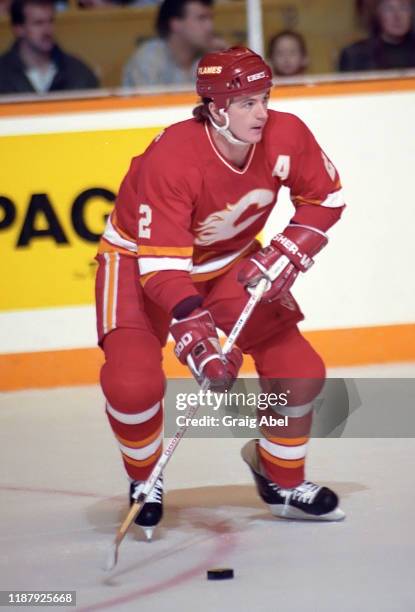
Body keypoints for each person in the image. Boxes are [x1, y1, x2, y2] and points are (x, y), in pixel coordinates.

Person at [96, 46, 346, 539]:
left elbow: (326, 198)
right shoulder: (170, 158)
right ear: (215, 108)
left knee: (300, 372)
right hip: (137, 264)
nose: (262, 112)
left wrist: (289, 247)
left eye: (265, 98)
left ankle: (281, 479)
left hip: (230, 260)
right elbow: (163, 268)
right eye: (248, 102)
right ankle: (144, 480)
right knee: (132, 383)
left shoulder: (286, 134)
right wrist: (197, 336)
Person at [0, 0, 99, 95]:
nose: (47, 30)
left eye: (51, 21)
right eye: (38, 23)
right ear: (18, 29)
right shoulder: (3, 74)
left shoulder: (78, 73)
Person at [122, 0, 226, 87]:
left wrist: (226, 63)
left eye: (210, 19)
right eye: (201, 18)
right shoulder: (148, 59)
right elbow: (149, 109)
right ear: (175, 24)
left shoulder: (210, 57)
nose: (210, 27)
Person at [338, 0, 415, 71]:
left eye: (404, 8)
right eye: (388, 9)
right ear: (377, 14)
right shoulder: (355, 55)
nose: (397, 17)